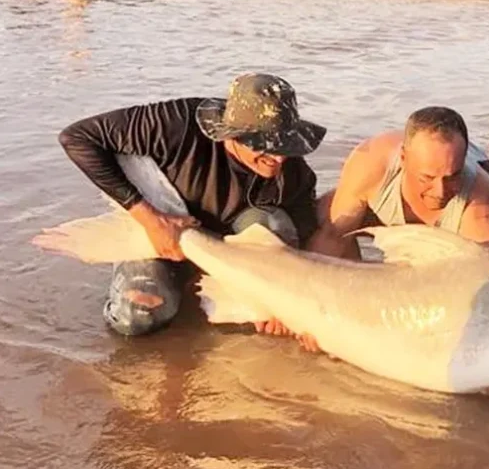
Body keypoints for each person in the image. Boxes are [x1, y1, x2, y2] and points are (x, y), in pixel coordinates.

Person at [58, 72, 326, 339]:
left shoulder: (296, 176)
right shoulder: (177, 125)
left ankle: (209, 285)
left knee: (275, 225)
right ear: (231, 135)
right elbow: (77, 138)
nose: (279, 157)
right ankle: (162, 278)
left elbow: (301, 248)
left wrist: (284, 306)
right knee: (134, 317)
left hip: (230, 256)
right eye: (265, 146)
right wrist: (150, 219)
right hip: (161, 234)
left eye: (286, 144)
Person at [309, 106, 489, 260]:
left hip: (459, 233)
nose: (440, 192)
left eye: (452, 177)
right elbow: (331, 238)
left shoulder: (480, 205)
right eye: (427, 177)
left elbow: (486, 283)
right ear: (403, 158)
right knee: (328, 215)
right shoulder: (371, 164)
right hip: (387, 204)